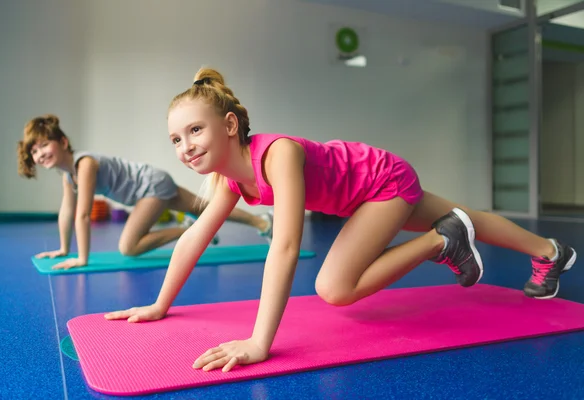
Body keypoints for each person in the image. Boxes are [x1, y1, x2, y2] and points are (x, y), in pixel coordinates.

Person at [105, 68, 577, 373]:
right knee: (468, 216)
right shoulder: (232, 181)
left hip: (382, 182)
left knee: (335, 288)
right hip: (367, 190)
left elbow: (286, 245)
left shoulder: (277, 155)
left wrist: (258, 341)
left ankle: (441, 242)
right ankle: (551, 253)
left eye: (194, 130)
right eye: (174, 139)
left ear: (229, 126)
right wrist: (159, 305)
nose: (184, 146)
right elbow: (193, 238)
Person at [17, 114, 273, 270]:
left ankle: (195, 230)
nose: (40, 154)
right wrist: (63, 249)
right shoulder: (68, 174)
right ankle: (262, 222)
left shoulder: (85, 164)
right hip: (152, 184)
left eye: (44, 145)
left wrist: (82, 258)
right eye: (34, 151)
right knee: (208, 207)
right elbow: (67, 212)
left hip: (150, 186)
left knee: (128, 247)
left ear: (62, 142)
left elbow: (82, 215)